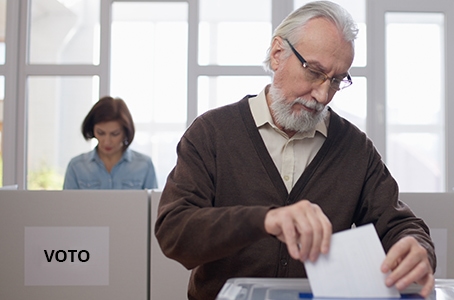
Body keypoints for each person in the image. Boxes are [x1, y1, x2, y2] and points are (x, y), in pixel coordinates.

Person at [154, 2, 436, 300]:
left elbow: (399, 223)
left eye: (337, 80)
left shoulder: (354, 148)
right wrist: (265, 220)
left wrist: (416, 246)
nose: (323, 94)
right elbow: (174, 231)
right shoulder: (212, 133)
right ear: (278, 54)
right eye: (314, 72)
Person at [63, 96, 158, 190]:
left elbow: (154, 204)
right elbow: (67, 204)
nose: (107, 141)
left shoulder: (145, 165)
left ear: (125, 132)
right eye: (101, 133)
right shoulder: (76, 166)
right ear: (92, 130)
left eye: (115, 134)